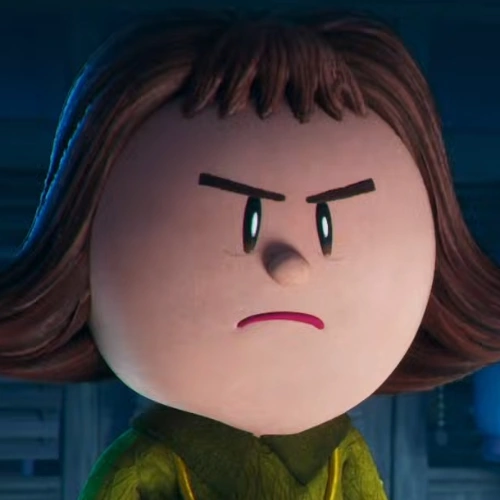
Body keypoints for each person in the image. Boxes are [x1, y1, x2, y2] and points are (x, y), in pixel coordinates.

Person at [1, 9, 499, 500]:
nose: (292, 267)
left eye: (326, 230)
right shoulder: (152, 460)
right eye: (250, 224)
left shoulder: (339, 453)